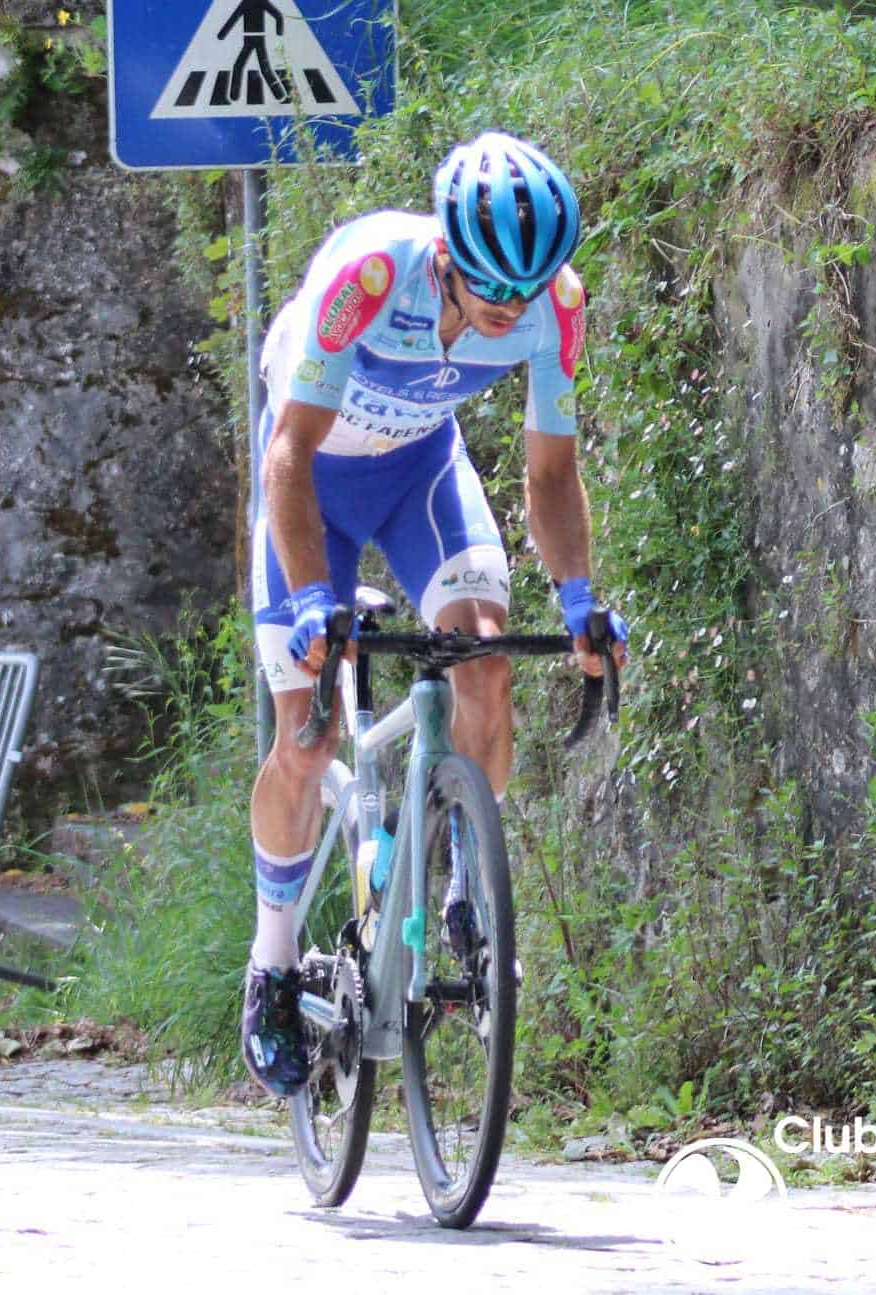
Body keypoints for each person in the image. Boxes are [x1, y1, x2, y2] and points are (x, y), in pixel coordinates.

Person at [242, 131, 628, 1097]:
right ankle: (272, 961)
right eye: (492, 298)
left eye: (523, 300)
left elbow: (549, 471)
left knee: (485, 659)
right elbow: (288, 452)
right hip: (312, 480)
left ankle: (466, 892)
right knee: (306, 729)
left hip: (420, 470)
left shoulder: (557, 305)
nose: (509, 319)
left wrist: (578, 600)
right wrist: (311, 604)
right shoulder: (369, 276)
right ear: (447, 261)